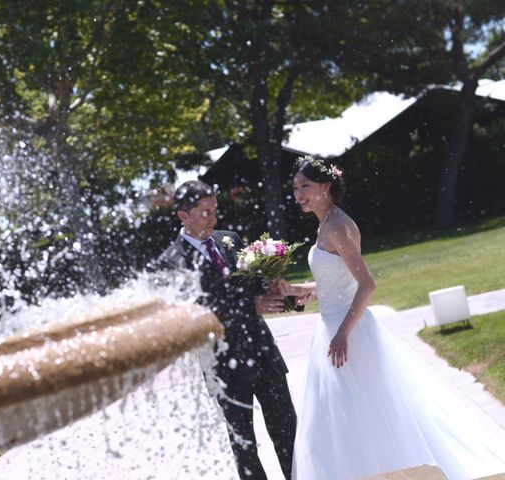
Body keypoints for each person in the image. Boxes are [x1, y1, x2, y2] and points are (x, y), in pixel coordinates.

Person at [274, 155, 505, 480]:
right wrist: (294, 287)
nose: (298, 194)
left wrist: (342, 334)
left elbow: (367, 284)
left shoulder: (338, 226)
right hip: (332, 330)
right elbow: (336, 281)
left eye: (305, 186)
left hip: (348, 336)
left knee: (367, 415)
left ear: (325, 186)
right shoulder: (325, 224)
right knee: (341, 420)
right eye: (295, 187)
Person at [154, 180, 302, 480]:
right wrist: (252, 305)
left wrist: (279, 290)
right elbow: (195, 315)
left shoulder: (230, 239)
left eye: (215, 210)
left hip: (264, 355)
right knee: (245, 448)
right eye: (204, 212)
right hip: (224, 367)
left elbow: (255, 287)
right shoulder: (171, 263)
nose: (213, 218)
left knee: (290, 436)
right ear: (183, 215)